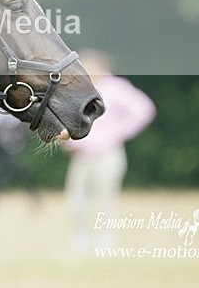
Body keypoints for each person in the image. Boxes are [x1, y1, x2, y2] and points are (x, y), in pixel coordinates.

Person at [62, 49, 155, 253]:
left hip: (107, 154)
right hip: (82, 155)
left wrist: (117, 133)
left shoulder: (116, 87)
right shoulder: (79, 90)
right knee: (76, 198)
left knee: (105, 197)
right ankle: (81, 237)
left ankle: (107, 238)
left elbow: (144, 109)